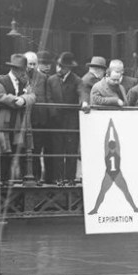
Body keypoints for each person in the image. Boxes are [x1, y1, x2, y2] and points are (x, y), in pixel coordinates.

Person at [0, 53, 35, 183]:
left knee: (18, 150)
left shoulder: (25, 82)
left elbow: (32, 96)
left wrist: (23, 99)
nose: (24, 72)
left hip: (18, 123)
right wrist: (14, 100)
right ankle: (2, 181)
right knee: (3, 152)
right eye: (22, 69)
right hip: (3, 121)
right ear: (15, 69)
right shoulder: (0, 80)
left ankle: (17, 183)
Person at [87, 122, 138, 215]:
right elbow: (115, 140)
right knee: (109, 192)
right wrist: (112, 127)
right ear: (115, 146)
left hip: (113, 174)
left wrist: (110, 127)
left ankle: (96, 209)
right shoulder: (116, 151)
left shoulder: (108, 152)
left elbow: (107, 140)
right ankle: (134, 208)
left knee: (107, 192)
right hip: (113, 174)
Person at [46, 51, 81, 183]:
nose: (58, 69)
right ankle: (58, 179)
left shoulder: (76, 80)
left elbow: (82, 92)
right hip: (56, 121)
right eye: (58, 65)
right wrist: (54, 112)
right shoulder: (51, 80)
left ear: (69, 68)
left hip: (71, 122)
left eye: (62, 66)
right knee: (58, 151)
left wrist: (83, 102)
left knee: (71, 152)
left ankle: (70, 179)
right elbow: (48, 98)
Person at [26, 51, 54, 181]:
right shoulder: (21, 76)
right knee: (32, 151)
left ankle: (48, 178)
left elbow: (48, 97)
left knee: (44, 148)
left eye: (34, 64)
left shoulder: (43, 78)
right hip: (27, 119)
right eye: (29, 64)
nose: (31, 66)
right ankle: (34, 177)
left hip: (42, 119)